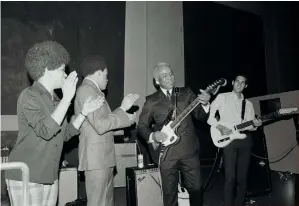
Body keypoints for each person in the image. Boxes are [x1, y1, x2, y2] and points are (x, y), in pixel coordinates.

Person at [5, 41, 104, 206]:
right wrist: (66, 100)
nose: (65, 75)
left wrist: (84, 113)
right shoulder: (29, 95)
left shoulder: (57, 100)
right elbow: (46, 130)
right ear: (46, 70)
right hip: (26, 175)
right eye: (61, 70)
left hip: (49, 175)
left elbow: (63, 135)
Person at [137, 62, 211, 206]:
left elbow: (200, 116)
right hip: (166, 155)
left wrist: (205, 104)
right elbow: (142, 127)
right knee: (169, 194)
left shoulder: (186, 92)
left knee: (196, 189)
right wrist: (153, 136)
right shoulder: (151, 100)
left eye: (171, 73)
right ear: (157, 81)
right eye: (165, 75)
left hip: (188, 151)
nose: (170, 77)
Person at [74, 55, 139, 206]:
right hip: (97, 160)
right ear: (97, 73)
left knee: (106, 202)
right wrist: (122, 109)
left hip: (102, 159)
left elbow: (100, 126)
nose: (107, 80)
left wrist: (126, 120)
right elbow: (101, 125)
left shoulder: (93, 92)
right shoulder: (86, 91)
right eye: (105, 75)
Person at [207, 74, 262, 206]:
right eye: (237, 81)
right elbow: (210, 118)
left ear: (246, 86)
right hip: (228, 140)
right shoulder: (222, 97)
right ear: (232, 82)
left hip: (245, 140)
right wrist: (220, 127)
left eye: (243, 82)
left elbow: (250, 126)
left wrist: (255, 124)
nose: (239, 84)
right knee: (230, 177)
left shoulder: (248, 104)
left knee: (242, 178)